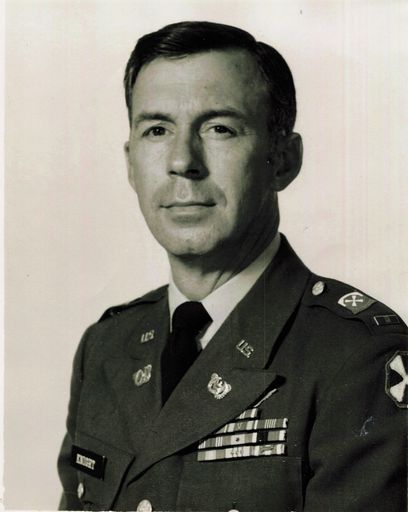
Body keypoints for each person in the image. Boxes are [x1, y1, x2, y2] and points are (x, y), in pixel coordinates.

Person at [57, 21, 407, 512]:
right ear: (131, 163)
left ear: (282, 160)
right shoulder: (106, 349)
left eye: (219, 128)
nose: (182, 161)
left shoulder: (355, 359)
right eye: (157, 130)